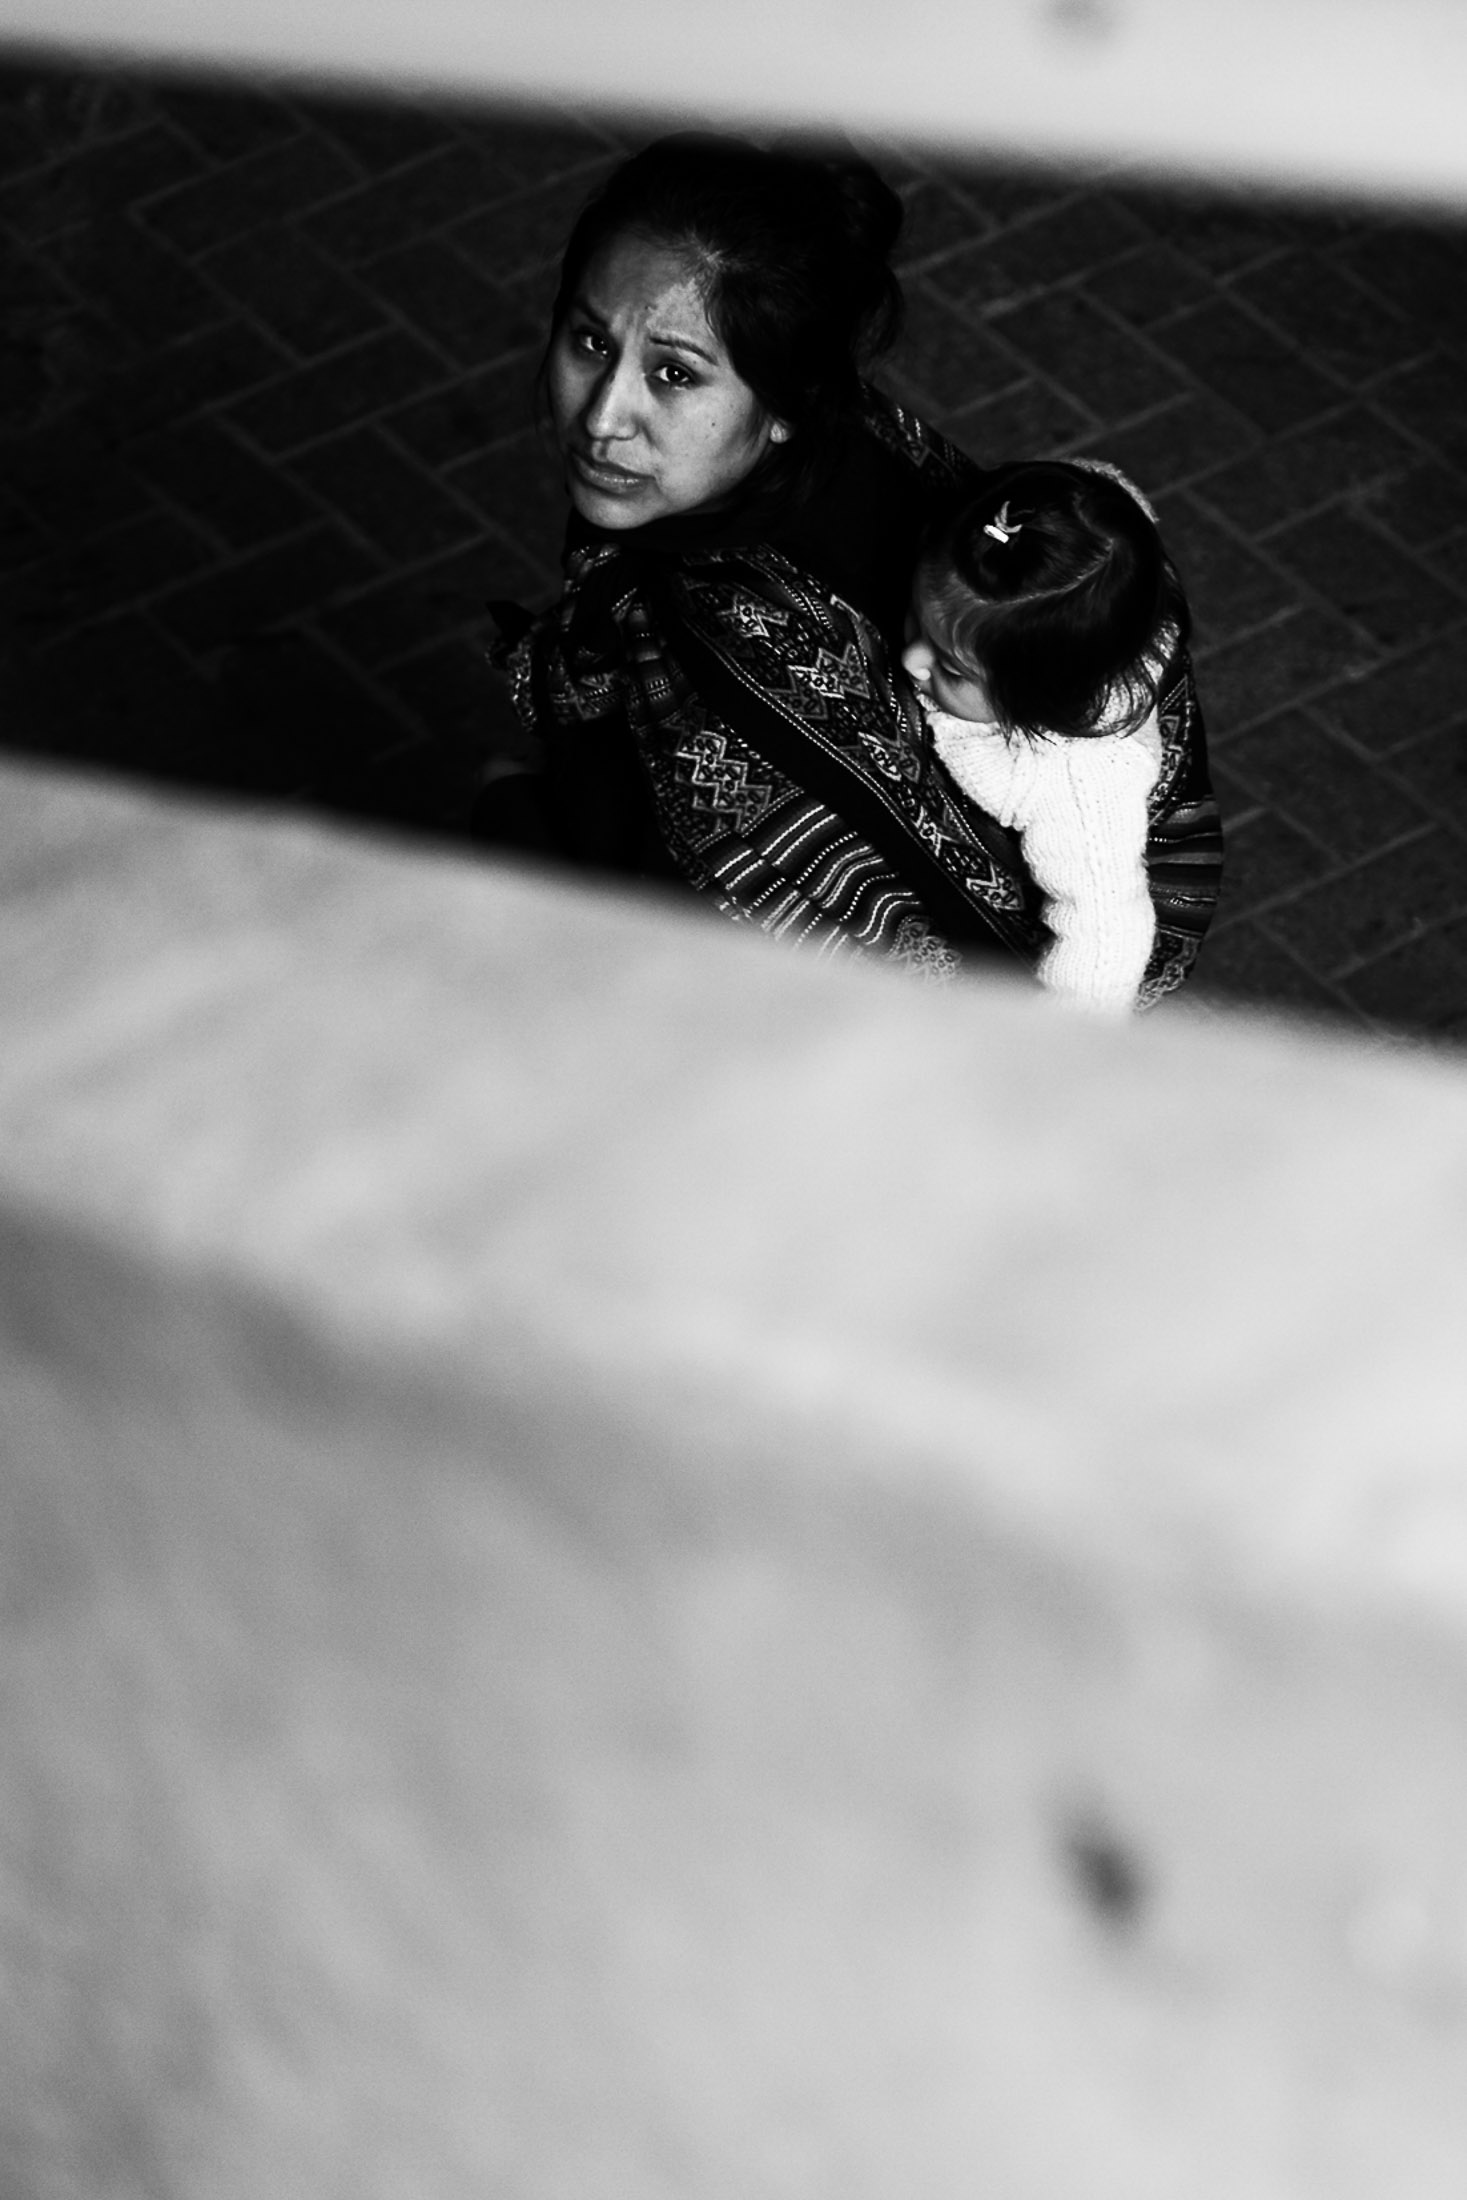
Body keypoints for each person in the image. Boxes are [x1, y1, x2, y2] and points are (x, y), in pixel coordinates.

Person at [481, 133, 1222, 993]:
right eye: (589, 342)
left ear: (789, 405)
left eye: (674, 376)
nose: (604, 417)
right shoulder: (829, 457)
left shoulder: (756, 653)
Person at [902, 459, 1197, 1014]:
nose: (913, 659)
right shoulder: (1047, 568)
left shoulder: (1078, 784)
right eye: (917, 621)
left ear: (1044, 699)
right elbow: (1100, 497)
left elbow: (1106, 939)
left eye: (953, 669)